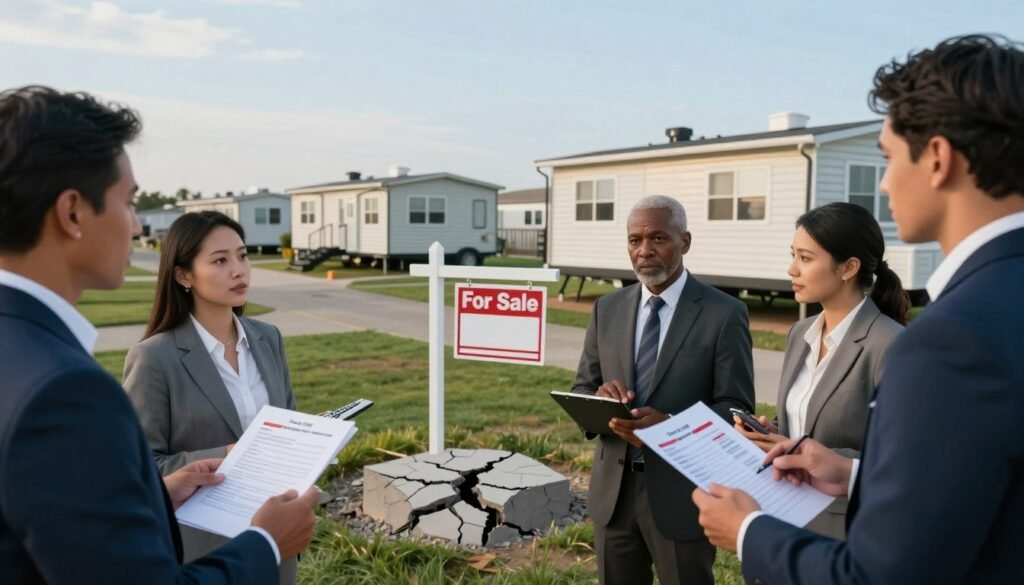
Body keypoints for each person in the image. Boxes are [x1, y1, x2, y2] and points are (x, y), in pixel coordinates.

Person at [692, 34, 1024, 584]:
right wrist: (850, 472)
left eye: (890, 158)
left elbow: (883, 575)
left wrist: (748, 531)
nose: (887, 182)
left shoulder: (950, 341)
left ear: (938, 158)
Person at [0, 85, 319, 584]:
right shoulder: (61, 391)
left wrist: (156, 493)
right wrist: (266, 542)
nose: (134, 227)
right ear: (72, 213)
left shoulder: (20, 354)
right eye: (128, 202)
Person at [572, 195, 755, 585]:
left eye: (658, 239)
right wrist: (599, 401)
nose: (644, 251)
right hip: (614, 495)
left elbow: (738, 409)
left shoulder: (723, 314)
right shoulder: (607, 309)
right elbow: (583, 387)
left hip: (682, 495)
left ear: (684, 242)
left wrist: (670, 424)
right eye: (634, 240)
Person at [124, 211, 300, 585]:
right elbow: (139, 471)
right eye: (220, 260)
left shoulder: (269, 338)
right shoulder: (155, 358)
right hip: (203, 556)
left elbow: (289, 426)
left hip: (274, 543)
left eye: (243, 255)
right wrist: (230, 454)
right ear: (183, 275)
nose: (239, 270)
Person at [732, 202, 907, 538]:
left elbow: (901, 460)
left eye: (806, 258)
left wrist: (797, 448)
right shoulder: (801, 333)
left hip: (848, 530)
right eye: (793, 255)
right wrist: (769, 434)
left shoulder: (892, 345)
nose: (791, 269)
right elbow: (803, 421)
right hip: (785, 514)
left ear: (848, 267)